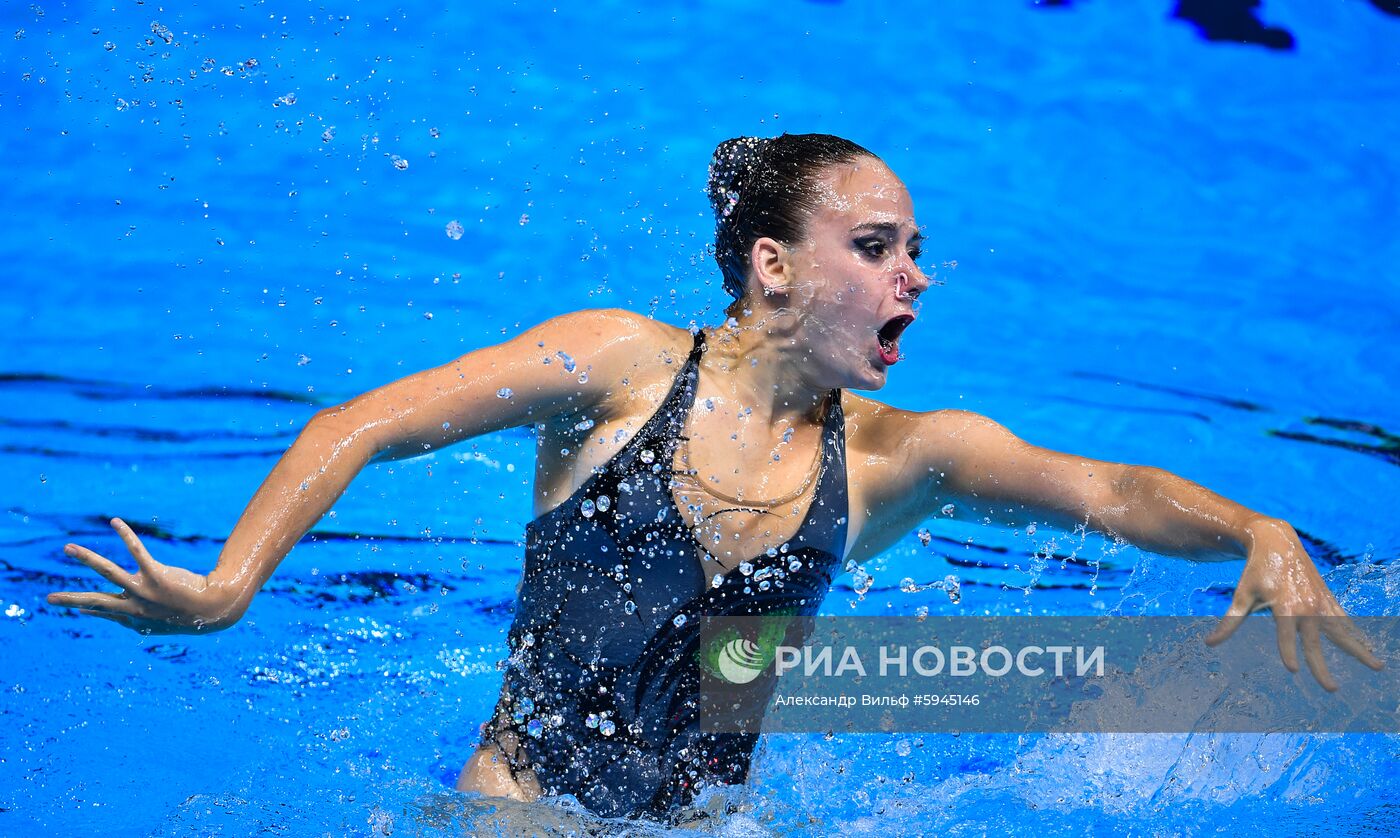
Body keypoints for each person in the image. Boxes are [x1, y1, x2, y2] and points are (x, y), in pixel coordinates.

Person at [47, 133, 1380, 822]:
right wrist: (229, 583)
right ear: (774, 267)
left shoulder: (896, 456)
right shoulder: (623, 370)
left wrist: (1254, 523)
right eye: (876, 243)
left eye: (919, 247)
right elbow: (364, 422)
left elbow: (1110, 492)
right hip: (520, 812)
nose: (913, 273)